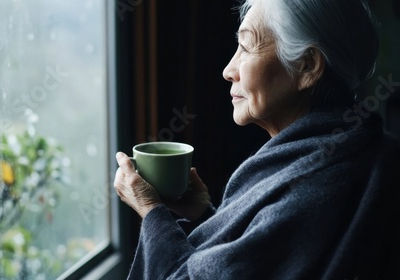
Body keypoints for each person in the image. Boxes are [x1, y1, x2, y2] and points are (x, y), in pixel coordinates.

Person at [113, 0, 400, 279]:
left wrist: (151, 211)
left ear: (307, 66)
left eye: (247, 47)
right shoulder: (357, 149)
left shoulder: (311, 187)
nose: (228, 71)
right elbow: (262, 259)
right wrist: (203, 215)